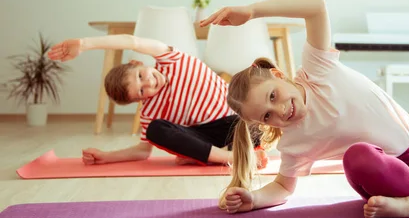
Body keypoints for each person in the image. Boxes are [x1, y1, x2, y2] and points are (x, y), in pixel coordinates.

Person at [198, 0, 409, 218]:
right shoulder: (294, 142)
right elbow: (283, 187)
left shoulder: (317, 70)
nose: (280, 111)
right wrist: (253, 199)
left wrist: (252, 11)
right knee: (358, 155)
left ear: (280, 76)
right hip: (381, 175)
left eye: (273, 96)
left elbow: (315, 6)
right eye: (267, 116)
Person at [48, 34, 268, 168]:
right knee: (155, 129)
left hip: (238, 120)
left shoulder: (171, 58)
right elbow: (143, 151)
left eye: (141, 76)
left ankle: (213, 155)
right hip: (208, 136)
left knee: (256, 119)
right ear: (139, 101)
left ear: (137, 62)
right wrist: (106, 157)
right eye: (142, 92)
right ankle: (233, 157)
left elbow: (130, 40)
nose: (149, 84)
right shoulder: (150, 111)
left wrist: (84, 44)